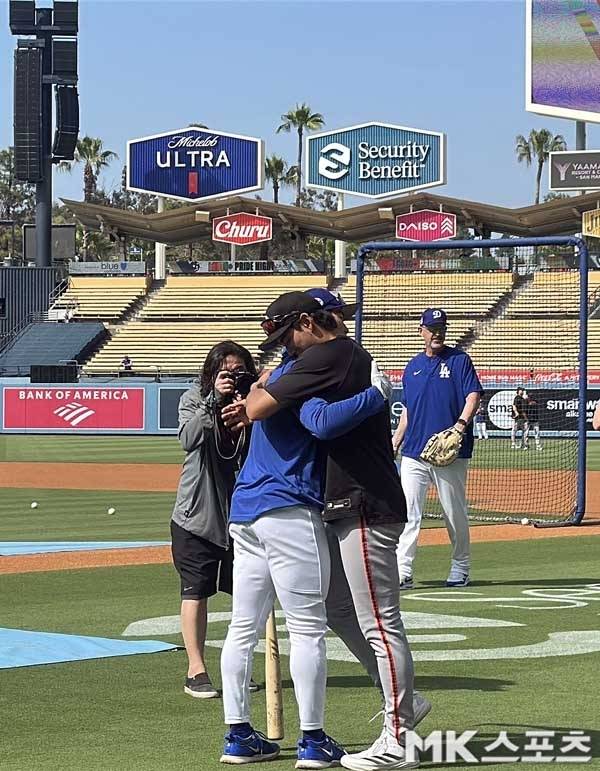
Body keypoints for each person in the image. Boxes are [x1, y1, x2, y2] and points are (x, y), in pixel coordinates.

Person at [244, 292, 419, 771]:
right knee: (338, 609)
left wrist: (274, 388)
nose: (287, 348)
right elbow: (306, 414)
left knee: (380, 622)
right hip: (348, 501)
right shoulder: (329, 358)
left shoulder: (330, 354)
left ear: (308, 322)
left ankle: (399, 738)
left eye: (289, 337)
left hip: (366, 500)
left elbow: (287, 415)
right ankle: (402, 700)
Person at [170, 341, 257, 699]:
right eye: (226, 372)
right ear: (211, 373)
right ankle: (196, 669)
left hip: (244, 514)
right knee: (195, 591)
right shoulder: (194, 398)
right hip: (197, 515)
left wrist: (250, 407)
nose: (233, 378)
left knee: (247, 596)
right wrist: (213, 401)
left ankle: (239, 668)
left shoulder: (256, 401)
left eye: (239, 371)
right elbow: (188, 439)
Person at [392, 308, 482, 591]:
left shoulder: (459, 360)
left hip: (449, 452)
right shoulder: (413, 366)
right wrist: (396, 440)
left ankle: (461, 566)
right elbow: (408, 409)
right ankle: (403, 570)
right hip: (414, 451)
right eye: (432, 328)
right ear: (421, 331)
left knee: (453, 512)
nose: (438, 333)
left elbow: (473, 395)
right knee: (408, 511)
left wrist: (459, 426)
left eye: (441, 328)